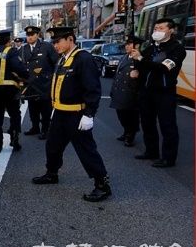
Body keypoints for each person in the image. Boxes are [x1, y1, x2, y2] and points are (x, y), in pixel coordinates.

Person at [31, 27, 111, 202]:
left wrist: (89, 114)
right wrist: (54, 108)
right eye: (53, 42)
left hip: (76, 114)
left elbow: (93, 89)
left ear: (70, 39)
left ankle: (102, 184)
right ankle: (52, 173)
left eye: (57, 41)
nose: (55, 46)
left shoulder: (83, 59)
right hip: (60, 112)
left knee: (86, 150)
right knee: (52, 146)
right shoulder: (62, 59)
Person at [130, 18, 187, 168]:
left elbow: (163, 68)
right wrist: (136, 67)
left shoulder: (177, 49)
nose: (157, 31)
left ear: (171, 30)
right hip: (146, 91)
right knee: (147, 122)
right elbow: (142, 65)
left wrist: (141, 59)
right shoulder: (150, 48)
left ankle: (168, 158)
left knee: (167, 125)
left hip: (165, 92)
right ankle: (151, 151)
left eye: (161, 28)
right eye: (155, 28)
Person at [0, 29, 29, 154]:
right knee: (14, 114)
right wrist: (25, 76)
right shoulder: (12, 51)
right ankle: (14, 139)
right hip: (10, 89)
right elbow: (19, 67)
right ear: (9, 40)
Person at [20, 25, 59, 140]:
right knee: (33, 108)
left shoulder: (46, 46)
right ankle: (35, 127)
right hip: (31, 84)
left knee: (46, 109)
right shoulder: (24, 49)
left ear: (37, 35)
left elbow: (56, 63)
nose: (30, 37)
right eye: (28, 35)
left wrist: (52, 78)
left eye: (32, 35)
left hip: (44, 83)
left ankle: (46, 129)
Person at [109, 37, 144, 147]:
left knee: (131, 115)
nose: (127, 46)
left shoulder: (140, 59)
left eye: (130, 44)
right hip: (119, 91)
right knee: (121, 114)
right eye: (126, 44)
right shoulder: (124, 57)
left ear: (137, 46)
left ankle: (130, 134)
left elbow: (147, 73)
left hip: (131, 91)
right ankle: (126, 131)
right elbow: (117, 75)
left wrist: (139, 74)